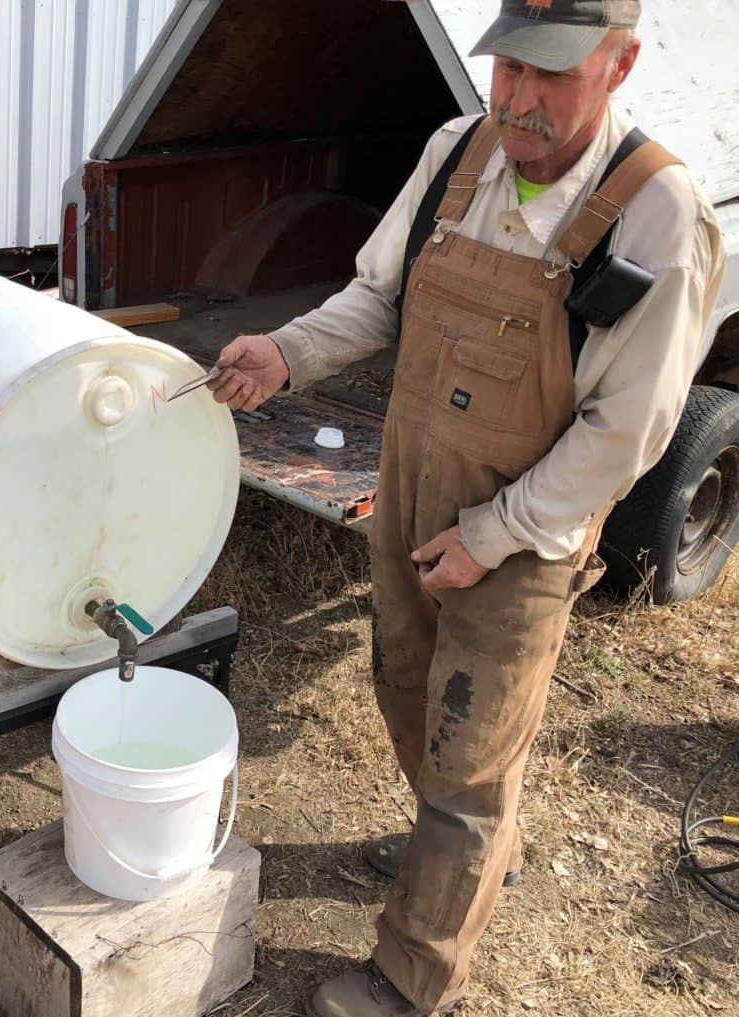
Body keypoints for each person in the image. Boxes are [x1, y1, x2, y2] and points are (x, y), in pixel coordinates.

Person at [208, 2, 726, 1015]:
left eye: (553, 78)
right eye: (508, 71)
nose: (520, 102)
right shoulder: (457, 151)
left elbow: (626, 431)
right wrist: (286, 353)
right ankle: (482, 843)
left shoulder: (656, 213)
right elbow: (378, 298)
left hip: (527, 529)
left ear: (619, 65)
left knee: (466, 754)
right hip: (408, 482)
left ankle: (412, 979)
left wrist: (490, 537)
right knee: (403, 686)